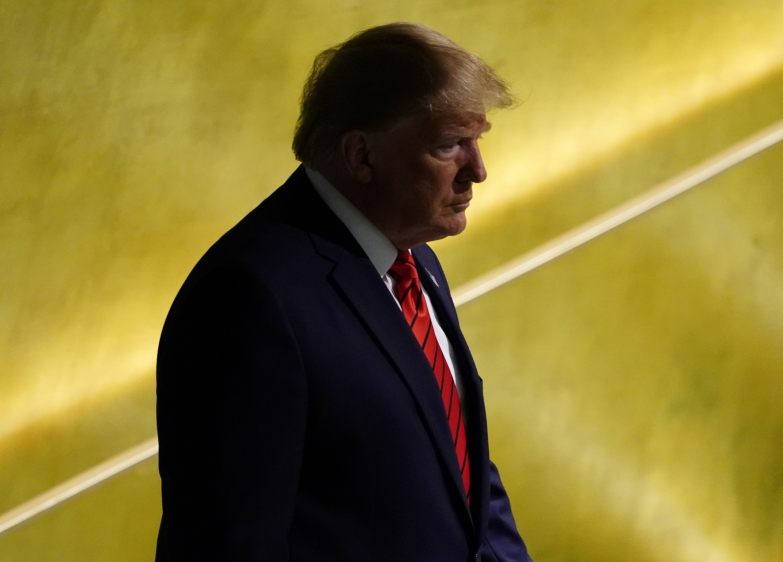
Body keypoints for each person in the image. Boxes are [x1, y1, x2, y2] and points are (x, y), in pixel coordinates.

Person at [154, 22, 531, 562]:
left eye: (478, 141)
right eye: (449, 145)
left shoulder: (413, 257)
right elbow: (231, 543)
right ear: (361, 156)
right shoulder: (249, 298)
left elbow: (463, 476)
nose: (478, 171)